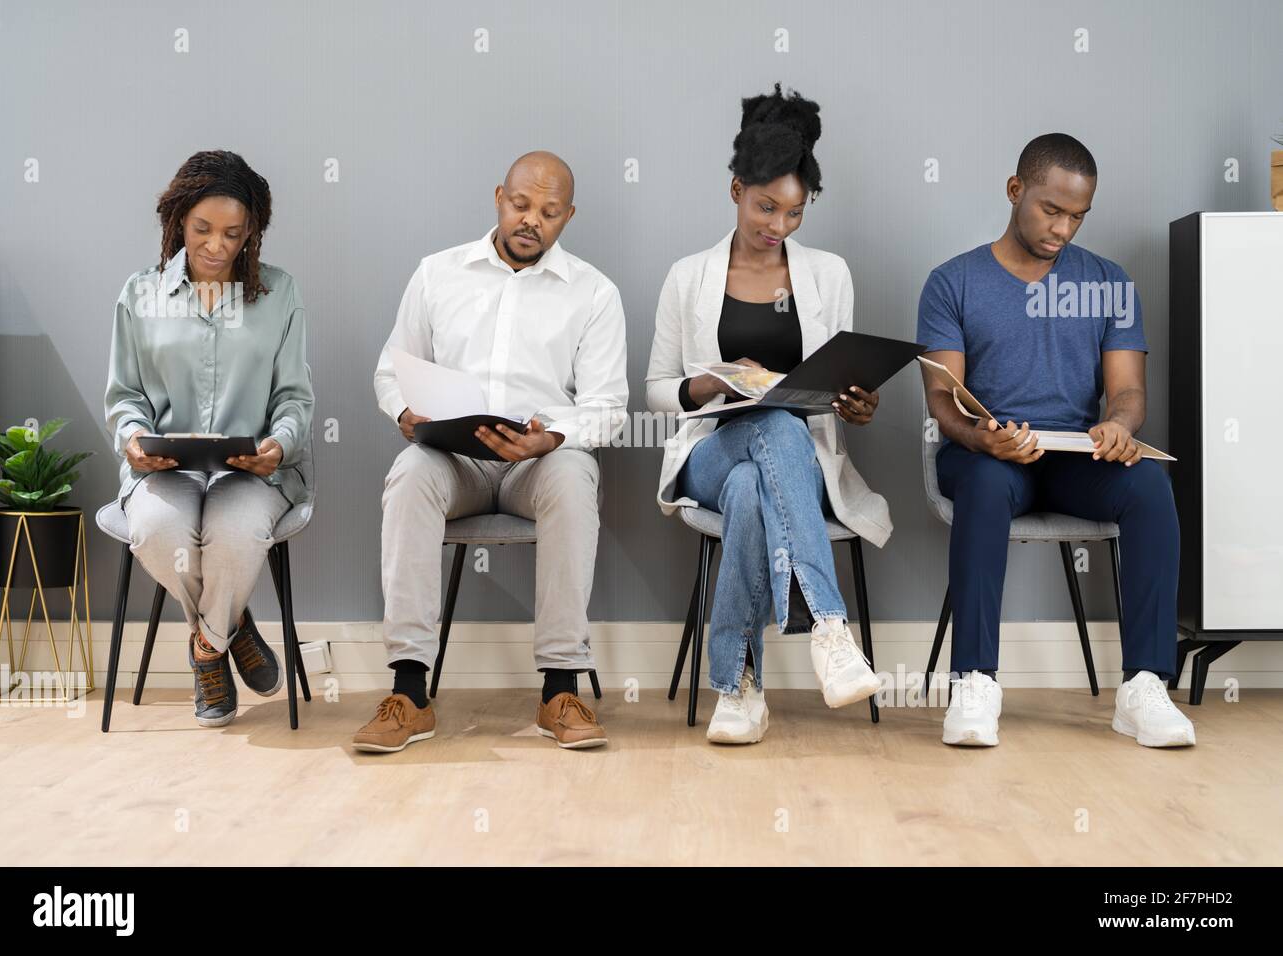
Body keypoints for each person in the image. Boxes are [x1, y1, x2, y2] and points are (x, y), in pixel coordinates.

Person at [917, 133, 1195, 748]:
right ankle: (974, 682)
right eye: (1051, 210)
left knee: (1149, 483)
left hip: (1073, 456)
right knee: (987, 484)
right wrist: (982, 439)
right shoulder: (952, 282)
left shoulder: (1110, 283)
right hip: (989, 454)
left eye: (1077, 216)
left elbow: (1127, 392)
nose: (1063, 228)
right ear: (1016, 190)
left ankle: (1145, 685)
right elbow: (941, 400)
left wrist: (1120, 427)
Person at [353, 151, 628, 753]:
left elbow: (609, 408)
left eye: (550, 212)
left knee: (574, 477)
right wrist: (406, 412)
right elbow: (389, 371)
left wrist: (551, 436)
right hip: (457, 460)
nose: (532, 220)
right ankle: (410, 692)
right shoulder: (437, 274)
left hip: (539, 462)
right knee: (408, 474)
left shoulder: (594, 293)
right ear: (499, 196)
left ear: (569, 216)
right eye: (521, 204)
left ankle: (560, 688)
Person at [646, 85, 888, 745]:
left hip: (794, 464)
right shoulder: (688, 276)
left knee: (759, 479)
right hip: (707, 453)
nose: (777, 226)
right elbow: (656, 389)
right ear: (735, 190)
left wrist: (854, 403)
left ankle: (740, 684)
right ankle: (829, 629)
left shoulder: (830, 275)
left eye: (794, 213)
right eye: (764, 206)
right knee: (768, 429)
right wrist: (702, 389)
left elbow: (838, 380)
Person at [105, 149, 314, 728]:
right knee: (153, 531)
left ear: (253, 232)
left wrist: (278, 444)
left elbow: (293, 397)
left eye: (233, 232)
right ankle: (232, 625)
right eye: (203, 229)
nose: (217, 245)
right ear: (178, 223)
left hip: (250, 472)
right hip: (164, 470)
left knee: (237, 534)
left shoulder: (279, 294)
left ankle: (204, 650)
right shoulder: (140, 295)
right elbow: (125, 396)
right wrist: (131, 437)